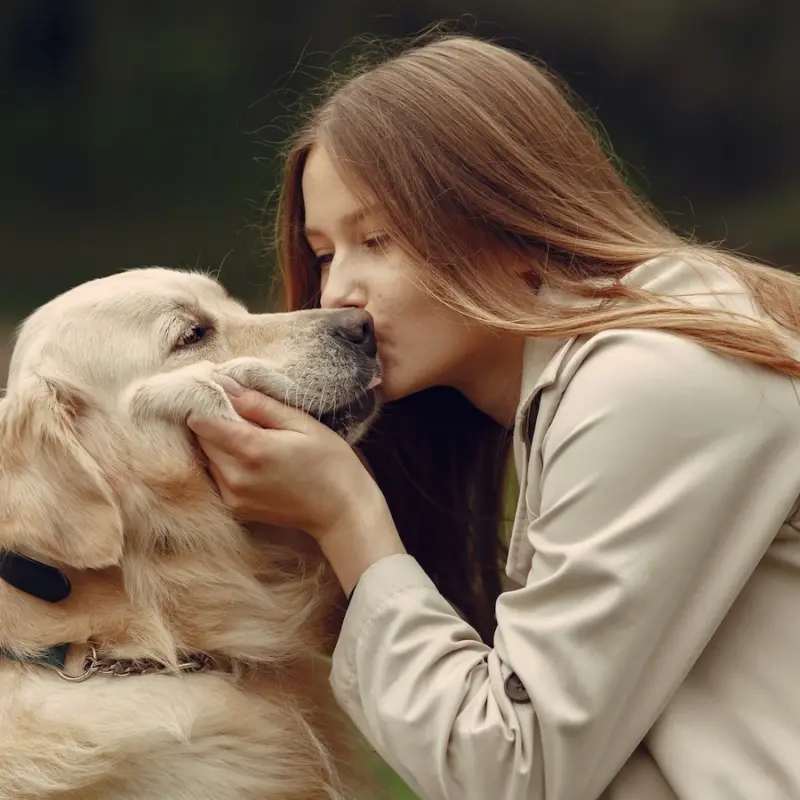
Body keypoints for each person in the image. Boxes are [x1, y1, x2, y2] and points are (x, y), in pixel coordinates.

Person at [186, 32, 800, 800]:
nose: (337, 293)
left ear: (511, 218)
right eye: (324, 254)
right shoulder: (587, 383)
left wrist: (345, 514)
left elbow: (514, 769)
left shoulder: (655, 379)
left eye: (377, 238)